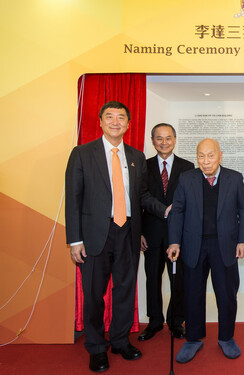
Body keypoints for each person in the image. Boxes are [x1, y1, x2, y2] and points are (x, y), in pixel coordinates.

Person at [65, 101, 169, 372]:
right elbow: (73, 199)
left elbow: (143, 196)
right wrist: (74, 240)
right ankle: (97, 348)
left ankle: (121, 341)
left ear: (128, 124)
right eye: (109, 117)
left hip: (128, 233)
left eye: (121, 117)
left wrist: (166, 209)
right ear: (100, 121)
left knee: (125, 290)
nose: (115, 122)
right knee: (93, 295)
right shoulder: (82, 153)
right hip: (94, 236)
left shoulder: (135, 156)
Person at [167, 138, 244, 363]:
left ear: (220, 155)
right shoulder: (187, 179)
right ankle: (193, 339)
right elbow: (177, 212)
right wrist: (174, 242)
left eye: (210, 155)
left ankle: (226, 338)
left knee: (226, 294)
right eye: (201, 156)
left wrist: (243, 241)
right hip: (194, 245)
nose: (206, 161)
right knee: (192, 294)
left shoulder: (234, 178)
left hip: (225, 246)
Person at [138, 123, 194, 341]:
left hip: (178, 235)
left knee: (178, 279)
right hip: (151, 232)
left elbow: (191, 201)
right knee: (152, 278)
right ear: (153, 141)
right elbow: (139, 198)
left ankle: (176, 321)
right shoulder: (144, 166)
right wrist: (140, 232)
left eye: (168, 138)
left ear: (175, 139)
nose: (164, 142)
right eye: (159, 138)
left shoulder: (188, 167)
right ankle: (154, 322)